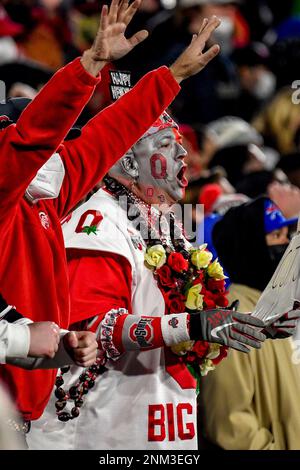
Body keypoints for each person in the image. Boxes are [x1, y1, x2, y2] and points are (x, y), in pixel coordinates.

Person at [0, 1, 222, 431]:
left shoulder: (46, 201)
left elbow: (106, 137)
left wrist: (170, 76)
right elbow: (34, 136)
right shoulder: (9, 192)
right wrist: (91, 64)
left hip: (19, 419)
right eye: (52, 144)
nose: (60, 151)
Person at [27, 110, 267, 450]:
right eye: (167, 144)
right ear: (129, 163)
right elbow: (93, 329)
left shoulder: (170, 226)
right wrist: (193, 326)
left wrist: (261, 323)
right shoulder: (99, 222)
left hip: (161, 421)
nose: (183, 154)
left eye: (179, 144)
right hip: (103, 431)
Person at [199, 197, 300, 450]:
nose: (288, 245)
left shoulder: (286, 306)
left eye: (288, 234)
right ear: (250, 247)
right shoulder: (233, 317)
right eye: (276, 236)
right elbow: (230, 425)